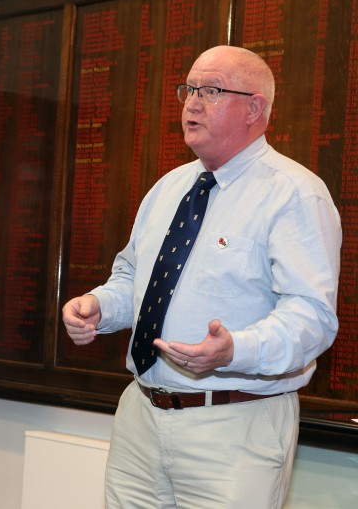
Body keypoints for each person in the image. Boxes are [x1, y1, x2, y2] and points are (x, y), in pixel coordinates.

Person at [62, 45, 341, 508]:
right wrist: (97, 306)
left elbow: (312, 316)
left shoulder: (295, 195)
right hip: (141, 415)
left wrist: (235, 349)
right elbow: (133, 277)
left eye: (210, 91)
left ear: (255, 108)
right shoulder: (169, 187)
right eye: (188, 89)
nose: (192, 102)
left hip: (234, 425)